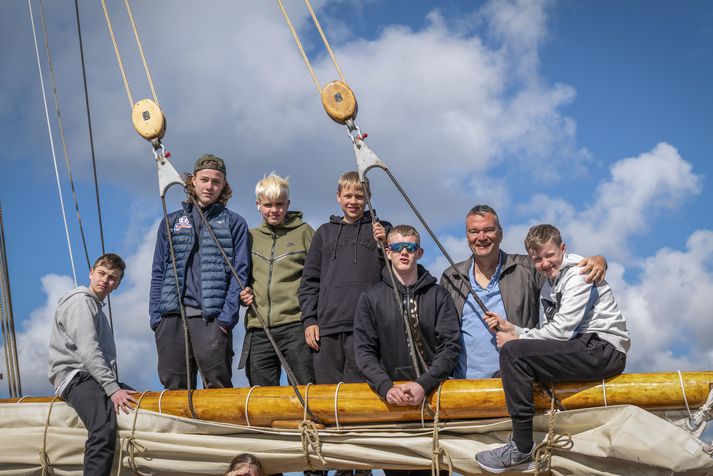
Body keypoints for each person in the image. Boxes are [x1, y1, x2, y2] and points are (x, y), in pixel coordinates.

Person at [474, 224, 630, 473]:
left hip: (602, 347)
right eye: (538, 259)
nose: (545, 263)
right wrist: (513, 329)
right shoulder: (548, 286)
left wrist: (515, 342)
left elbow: (561, 332)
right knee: (509, 372)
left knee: (513, 354)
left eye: (549, 255)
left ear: (563, 249)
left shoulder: (580, 272)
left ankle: (522, 447)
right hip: (581, 346)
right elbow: (549, 339)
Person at [439, 205, 608, 379]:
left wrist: (598, 260)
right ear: (467, 236)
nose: (481, 237)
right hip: (462, 387)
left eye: (488, 230)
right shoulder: (451, 277)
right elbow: (441, 333)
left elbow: (561, 268)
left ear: (500, 233)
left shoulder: (528, 268)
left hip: (520, 380)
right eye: (474, 231)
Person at [354, 225, 460, 476]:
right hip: (392, 405)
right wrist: (385, 386)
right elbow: (364, 351)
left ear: (419, 253)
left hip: (433, 400)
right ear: (387, 252)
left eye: (410, 247)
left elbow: (450, 346)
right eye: (397, 247)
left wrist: (424, 384)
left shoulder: (439, 296)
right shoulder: (371, 297)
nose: (404, 252)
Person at [149, 154, 250, 390]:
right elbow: (158, 271)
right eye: (204, 180)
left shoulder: (235, 223)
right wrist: (157, 319)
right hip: (171, 318)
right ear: (192, 181)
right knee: (174, 388)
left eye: (216, 181)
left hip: (212, 319)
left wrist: (226, 320)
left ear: (224, 185)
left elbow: (240, 273)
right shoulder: (170, 222)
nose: (209, 186)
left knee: (217, 388)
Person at [48, 253, 138, 476]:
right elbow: (88, 349)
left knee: (136, 400)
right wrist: (111, 388)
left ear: (116, 285)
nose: (105, 280)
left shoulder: (95, 306)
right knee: (102, 428)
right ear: (91, 272)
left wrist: (113, 386)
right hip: (76, 377)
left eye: (112, 278)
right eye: (102, 273)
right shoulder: (81, 302)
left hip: (91, 376)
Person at [298, 171, 388, 385]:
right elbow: (309, 281)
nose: (353, 201)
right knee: (327, 396)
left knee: (361, 395)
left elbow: (393, 276)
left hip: (367, 326)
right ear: (338, 197)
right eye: (348, 196)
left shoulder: (382, 230)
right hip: (327, 328)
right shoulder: (324, 233)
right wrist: (309, 320)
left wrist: (384, 245)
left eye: (359, 196)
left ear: (368, 198)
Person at [238, 173, 315, 389]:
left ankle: (307, 424)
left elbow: (317, 277)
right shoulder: (249, 237)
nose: (274, 210)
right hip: (258, 326)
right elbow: (241, 275)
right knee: (262, 396)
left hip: (295, 325)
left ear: (288, 204)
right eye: (268, 205)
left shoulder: (305, 233)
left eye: (280, 204)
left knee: (304, 389)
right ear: (258, 205)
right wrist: (242, 293)